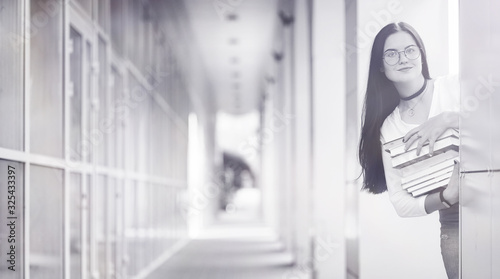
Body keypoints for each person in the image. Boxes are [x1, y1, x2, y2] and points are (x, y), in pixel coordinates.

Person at [358, 22, 460, 279]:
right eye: (391, 53)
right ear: (381, 66)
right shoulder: (389, 128)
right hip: (455, 222)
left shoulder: (453, 87)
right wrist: (447, 196)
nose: (403, 58)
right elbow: (401, 202)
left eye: (410, 50)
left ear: (421, 54)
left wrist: (448, 118)